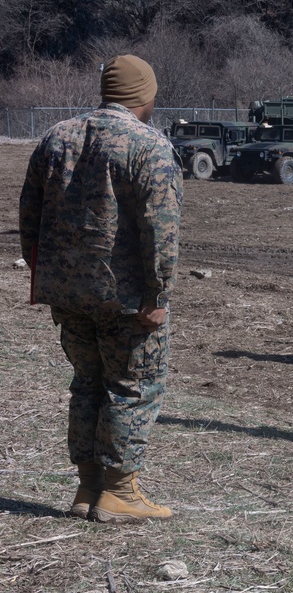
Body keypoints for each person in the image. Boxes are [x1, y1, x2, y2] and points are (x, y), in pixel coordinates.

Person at [18, 54, 182, 523]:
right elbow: (161, 229)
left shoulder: (55, 137)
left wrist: (46, 275)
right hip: (126, 300)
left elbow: (29, 216)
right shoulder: (148, 145)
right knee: (133, 386)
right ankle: (119, 491)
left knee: (87, 384)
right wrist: (158, 296)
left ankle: (87, 488)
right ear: (145, 97)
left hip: (67, 295)